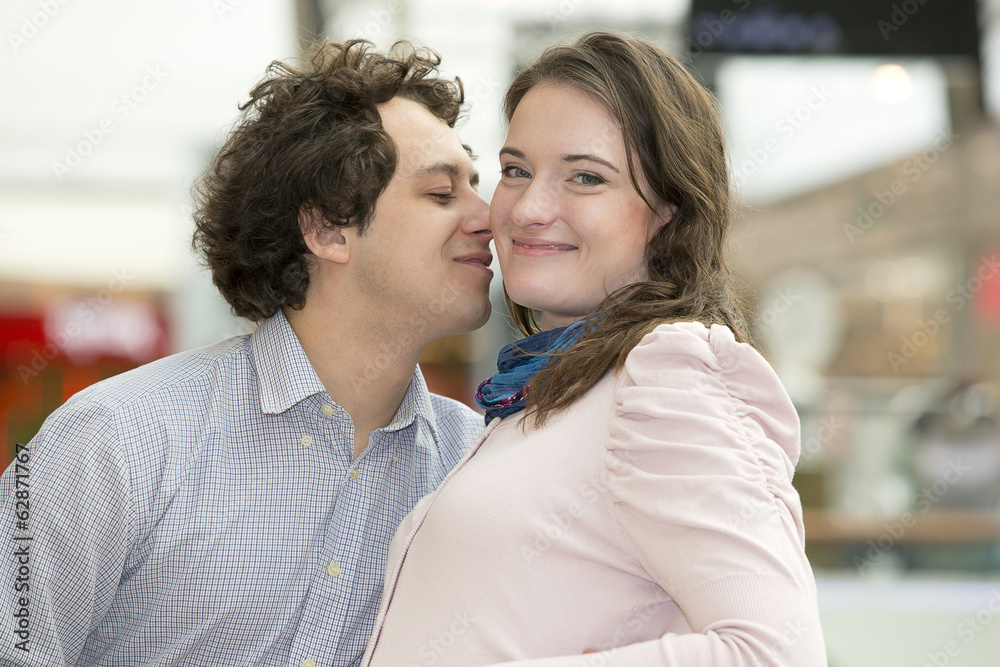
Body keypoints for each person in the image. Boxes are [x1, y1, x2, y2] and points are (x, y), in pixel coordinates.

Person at [0, 39, 493, 666]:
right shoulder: (112, 440)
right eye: (442, 194)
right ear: (327, 230)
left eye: (476, 187)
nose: (491, 216)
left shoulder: (474, 464)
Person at [361, 32, 827, 666]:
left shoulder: (666, 376)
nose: (528, 209)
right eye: (516, 171)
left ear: (669, 209)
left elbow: (777, 652)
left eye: (585, 177)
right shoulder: (562, 389)